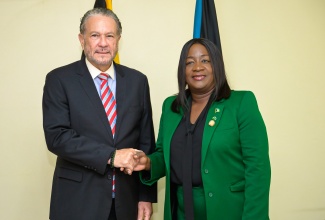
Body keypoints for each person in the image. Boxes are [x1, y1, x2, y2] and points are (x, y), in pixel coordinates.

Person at [135, 38, 271, 220]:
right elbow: (164, 155)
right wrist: (148, 163)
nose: (197, 67)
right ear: (182, 71)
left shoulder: (241, 103)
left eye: (205, 60)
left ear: (217, 66)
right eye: (189, 62)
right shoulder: (171, 107)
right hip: (180, 211)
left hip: (228, 211)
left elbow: (258, 169)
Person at [42, 8, 156, 220]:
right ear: (82, 39)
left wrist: (145, 196)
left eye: (109, 36)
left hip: (126, 204)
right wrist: (111, 157)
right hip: (77, 203)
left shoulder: (137, 81)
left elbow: (146, 144)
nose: (103, 43)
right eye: (95, 35)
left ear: (118, 40)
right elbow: (57, 137)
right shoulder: (59, 80)